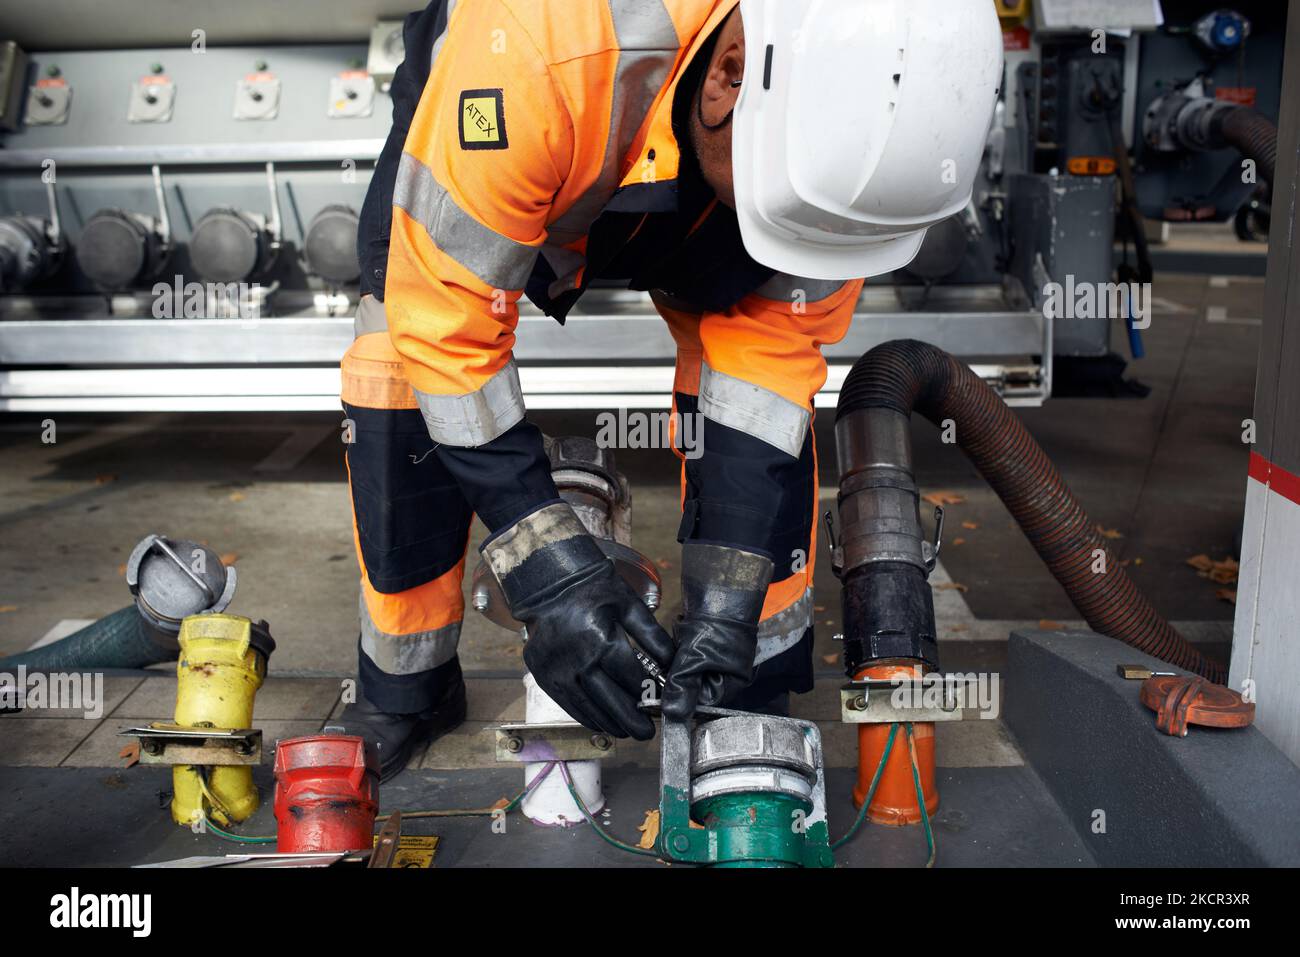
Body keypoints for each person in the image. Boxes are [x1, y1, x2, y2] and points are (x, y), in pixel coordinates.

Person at [335, 0, 1003, 780]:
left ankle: (745, 677)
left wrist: (730, 609)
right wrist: (552, 576)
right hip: (519, 105)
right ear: (729, 79)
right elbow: (447, 328)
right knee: (398, 350)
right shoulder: (535, 48)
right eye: (796, 216)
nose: (814, 253)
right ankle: (406, 685)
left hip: (700, 139)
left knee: (763, 412)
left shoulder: (856, 111)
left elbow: (767, 366)